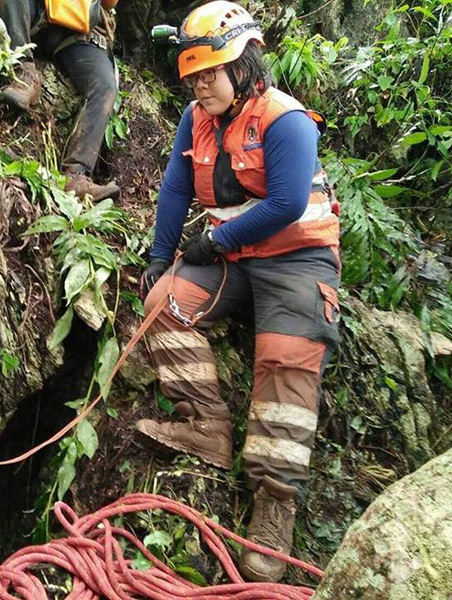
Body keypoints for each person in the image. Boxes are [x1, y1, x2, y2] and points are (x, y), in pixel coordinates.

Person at [137, 1, 341, 583]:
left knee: (284, 361)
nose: (202, 85)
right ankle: (206, 428)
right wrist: (162, 256)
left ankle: (274, 508)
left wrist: (212, 243)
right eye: (194, 75)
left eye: (212, 73)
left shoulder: (286, 120)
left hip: (297, 257)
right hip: (234, 255)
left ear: (244, 65)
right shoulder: (195, 119)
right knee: (163, 306)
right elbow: (176, 190)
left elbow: (283, 205)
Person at [0, 0, 120, 202]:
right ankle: (23, 73)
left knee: (105, 87)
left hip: (79, 29)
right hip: (33, 11)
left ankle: (76, 174)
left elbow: (108, 3)